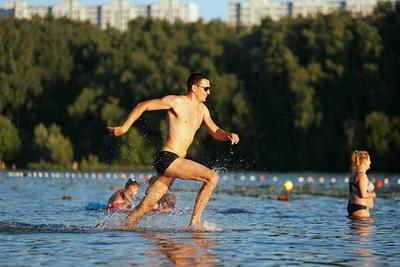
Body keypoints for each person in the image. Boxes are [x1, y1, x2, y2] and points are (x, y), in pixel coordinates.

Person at [108, 72, 240, 229]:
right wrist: (124, 128)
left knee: (145, 207)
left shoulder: (203, 110)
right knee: (211, 177)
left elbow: (215, 132)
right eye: (206, 88)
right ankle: (195, 223)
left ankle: (120, 229)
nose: (209, 92)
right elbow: (142, 106)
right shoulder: (176, 101)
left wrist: (228, 135)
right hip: (167, 158)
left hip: (173, 164)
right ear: (194, 87)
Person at [347, 151, 376, 218]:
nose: (370, 162)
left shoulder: (354, 175)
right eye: (369, 160)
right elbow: (363, 195)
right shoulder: (362, 176)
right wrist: (373, 194)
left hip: (354, 207)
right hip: (360, 209)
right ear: (364, 162)